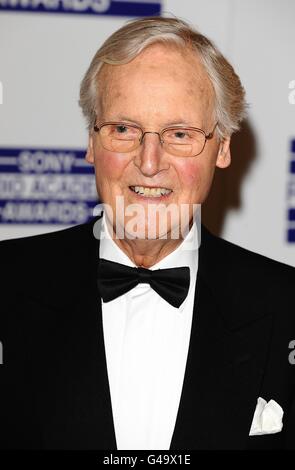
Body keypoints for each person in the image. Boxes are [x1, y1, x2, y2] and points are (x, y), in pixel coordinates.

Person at [0, 16, 294, 451]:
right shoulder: (7, 283)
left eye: (179, 133)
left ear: (224, 147)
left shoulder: (286, 305)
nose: (150, 161)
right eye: (123, 129)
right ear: (91, 140)